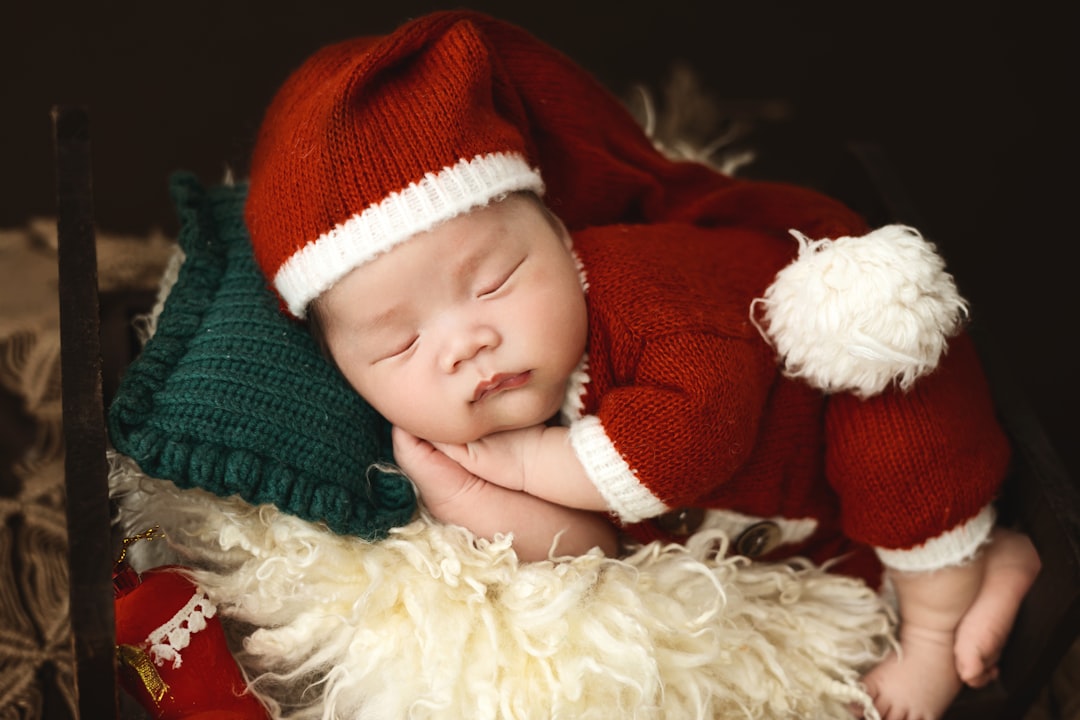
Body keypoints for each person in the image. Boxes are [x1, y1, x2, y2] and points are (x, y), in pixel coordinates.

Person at [242, 10, 1040, 719]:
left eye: (492, 282)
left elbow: (696, 433)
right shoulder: (479, 410)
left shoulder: (638, 292)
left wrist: (524, 460)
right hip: (791, 508)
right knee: (846, 559)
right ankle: (992, 559)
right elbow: (591, 547)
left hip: (856, 394)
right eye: (401, 344)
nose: (465, 343)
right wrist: (465, 490)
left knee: (899, 456)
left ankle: (937, 626)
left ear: (561, 235)